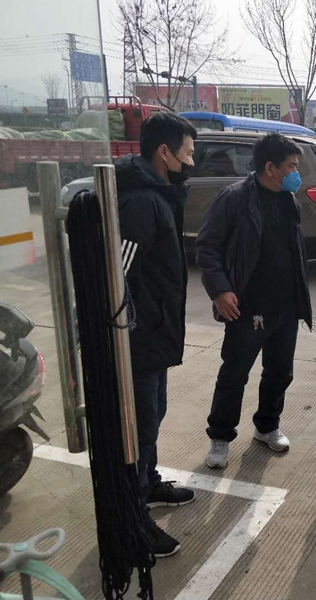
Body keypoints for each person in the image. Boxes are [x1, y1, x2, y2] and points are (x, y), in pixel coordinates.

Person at [196, 133, 312, 468]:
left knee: (280, 372)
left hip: (285, 306)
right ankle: (220, 436)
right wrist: (220, 290)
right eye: (291, 166)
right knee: (234, 374)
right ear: (270, 168)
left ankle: (267, 426)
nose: (296, 173)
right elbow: (207, 246)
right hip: (246, 308)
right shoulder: (234, 198)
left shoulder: (288, 199)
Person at [117, 111, 197, 557]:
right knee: (140, 426)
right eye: (187, 153)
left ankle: (147, 484)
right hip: (138, 337)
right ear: (164, 152)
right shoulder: (141, 203)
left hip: (155, 331)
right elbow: (115, 275)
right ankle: (132, 518)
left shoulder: (159, 195)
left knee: (155, 414)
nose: (191, 162)